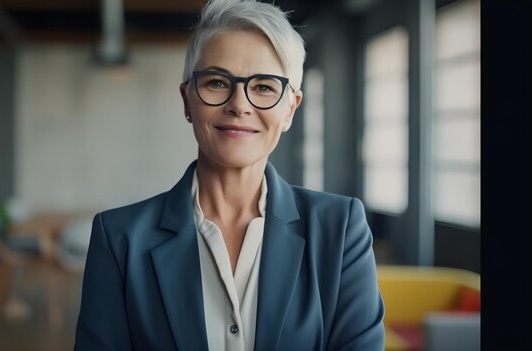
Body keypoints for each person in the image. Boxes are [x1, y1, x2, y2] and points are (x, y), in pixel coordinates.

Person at [74, 0, 385, 350]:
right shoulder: (119, 239)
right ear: (187, 100)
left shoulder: (341, 229)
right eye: (218, 82)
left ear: (290, 110)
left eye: (264, 87)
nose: (239, 104)